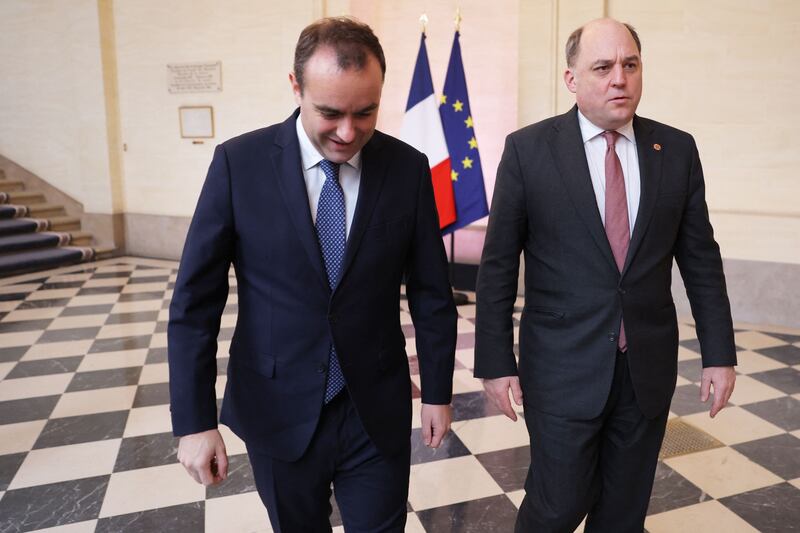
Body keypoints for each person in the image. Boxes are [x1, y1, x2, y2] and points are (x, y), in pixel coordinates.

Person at [168, 17, 457, 532]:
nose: (348, 132)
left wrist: (437, 390)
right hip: (277, 411)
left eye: (365, 112)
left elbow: (432, 294)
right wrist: (194, 423)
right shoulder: (239, 164)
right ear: (296, 87)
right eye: (330, 113)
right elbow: (195, 304)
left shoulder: (407, 169)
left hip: (375, 408)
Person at [475, 18, 736, 532]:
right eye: (603, 67)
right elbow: (499, 264)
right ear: (571, 79)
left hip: (645, 369)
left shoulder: (676, 151)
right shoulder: (529, 151)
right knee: (557, 505)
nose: (620, 78)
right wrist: (495, 361)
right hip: (561, 368)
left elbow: (700, 258)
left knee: (623, 514)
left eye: (630, 65)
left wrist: (720, 354)